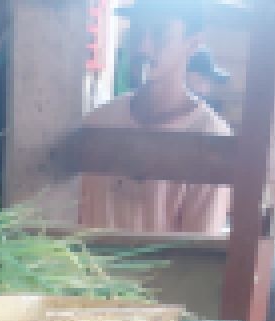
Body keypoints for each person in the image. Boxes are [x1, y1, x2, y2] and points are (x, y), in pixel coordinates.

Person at [78, 0, 231, 235]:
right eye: (137, 32)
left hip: (174, 273)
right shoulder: (98, 123)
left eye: (161, 33)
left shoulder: (211, 141)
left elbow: (199, 252)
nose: (143, 47)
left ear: (192, 44)